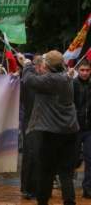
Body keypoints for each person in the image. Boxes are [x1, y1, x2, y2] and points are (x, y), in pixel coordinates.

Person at [19, 51, 79, 205]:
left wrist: (26, 64)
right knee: (66, 173)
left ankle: (42, 202)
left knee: (46, 172)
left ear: (48, 66)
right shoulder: (66, 76)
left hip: (51, 133)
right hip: (70, 132)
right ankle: (69, 202)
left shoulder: (51, 80)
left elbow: (28, 80)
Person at [20, 55, 43, 199]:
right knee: (30, 155)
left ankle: (36, 186)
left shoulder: (41, 80)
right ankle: (28, 188)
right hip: (30, 122)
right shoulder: (30, 80)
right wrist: (27, 66)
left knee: (39, 156)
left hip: (41, 123)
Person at [74, 59, 91, 198]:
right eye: (82, 70)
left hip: (89, 128)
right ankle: (66, 183)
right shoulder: (72, 84)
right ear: (78, 70)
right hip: (74, 128)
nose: (85, 73)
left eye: (87, 70)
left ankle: (88, 189)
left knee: (90, 158)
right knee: (71, 159)